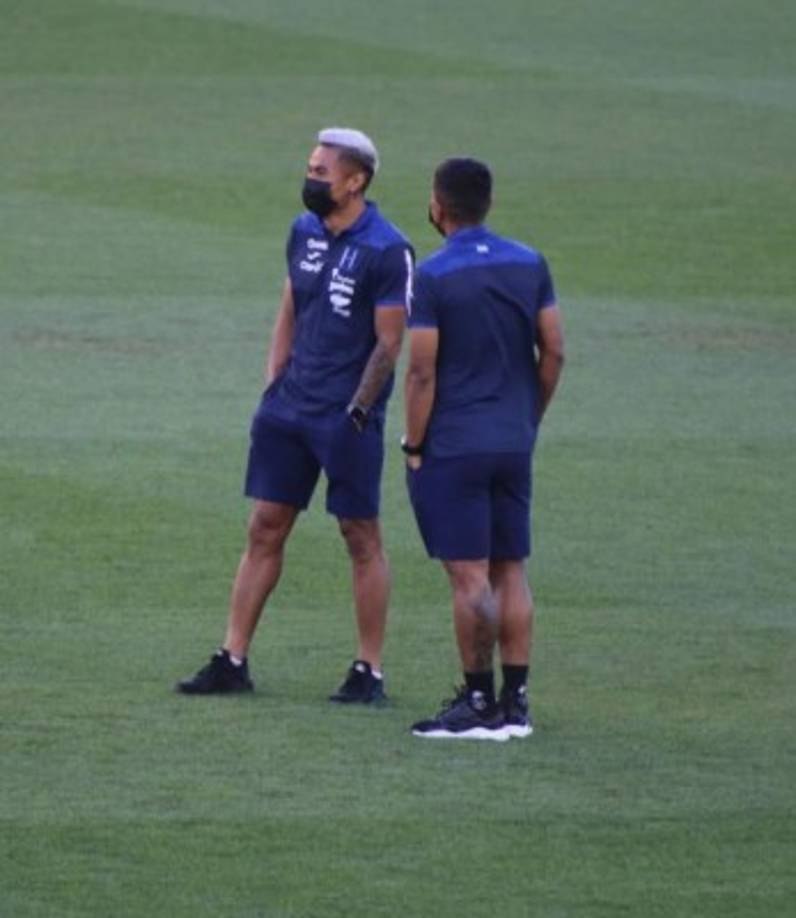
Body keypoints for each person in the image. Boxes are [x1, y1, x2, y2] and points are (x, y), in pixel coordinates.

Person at [178, 128, 413, 703]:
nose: (311, 180)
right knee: (264, 526)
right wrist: (273, 383)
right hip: (290, 409)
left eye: (321, 173)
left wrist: (358, 411)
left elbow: (389, 344)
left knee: (360, 535)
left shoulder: (387, 248)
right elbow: (291, 303)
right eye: (310, 169)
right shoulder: (303, 230)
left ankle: (369, 670)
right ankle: (232, 658)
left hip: (346, 417)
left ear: (355, 181)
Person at [402, 157, 564, 740]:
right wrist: (528, 418)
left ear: (438, 207)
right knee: (511, 570)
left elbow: (421, 373)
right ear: (487, 204)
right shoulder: (529, 263)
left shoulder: (435, 275)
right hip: (512, 442)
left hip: (455, 445)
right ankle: (515, 705)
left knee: (469, 577)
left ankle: (477, 703)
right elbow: (555, 352)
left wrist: (413, 444)